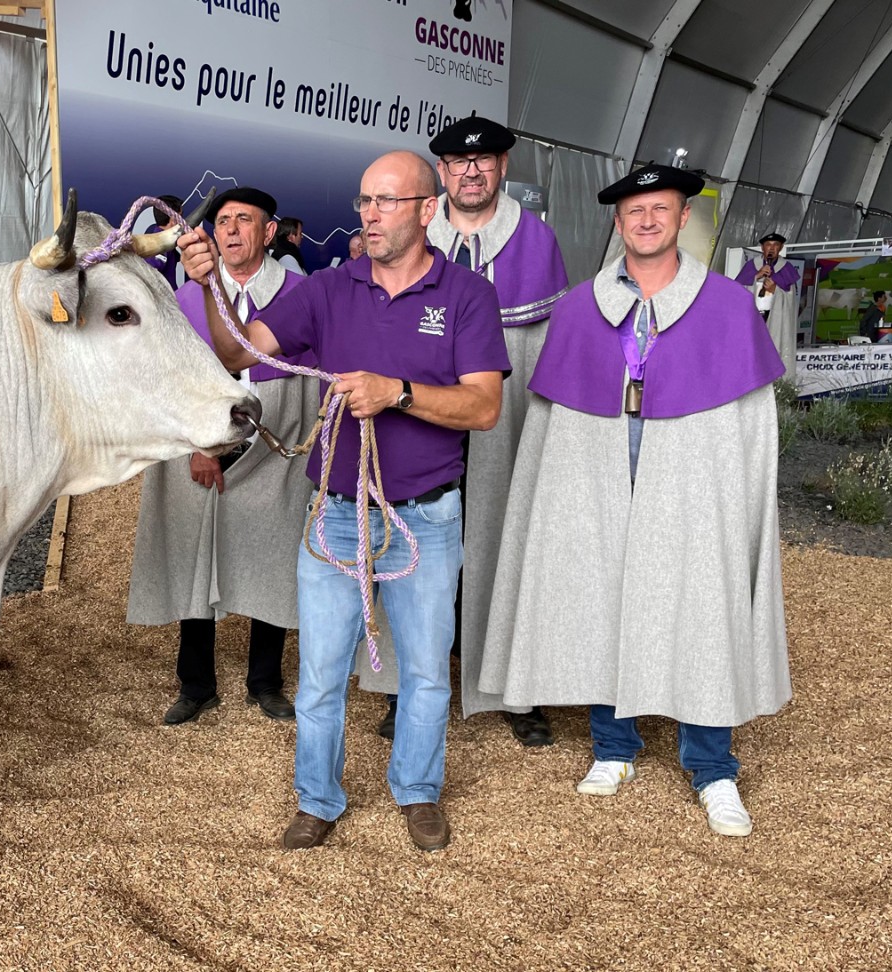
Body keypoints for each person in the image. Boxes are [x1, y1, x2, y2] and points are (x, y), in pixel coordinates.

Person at [178, 151, 510, 852]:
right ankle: (318, 800)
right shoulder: (328, 289)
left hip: (426, 514)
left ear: (427, 209)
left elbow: (484, 407)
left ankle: (418, 791)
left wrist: (400, 393)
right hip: (335, 511)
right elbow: (234, 352)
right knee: (322, 674)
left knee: (424, 671)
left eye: (387, 201)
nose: (370, 214)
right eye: (364, 201)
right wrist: (208, 284)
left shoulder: (467, 296)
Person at [479, 164, 790, 839]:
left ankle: (713, 768)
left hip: (692, 480)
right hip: (598, 475)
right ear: (617, 224)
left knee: (703, 608)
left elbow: (752, 423)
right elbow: (549, 429)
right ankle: (614, 748)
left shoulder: (728, 306)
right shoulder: (578, 306)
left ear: (683, 218)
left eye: (660, 208)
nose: (646, 220)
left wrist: (739, 498)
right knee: (602, 597)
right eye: (633, 211)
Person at [353, 115, 569, 749]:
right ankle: (396, 685)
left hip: (502, 418)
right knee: (403, 537)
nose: (470, 171)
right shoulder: (406, 232)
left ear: (502, 167)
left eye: (484, 161)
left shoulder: (537, 241)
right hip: (415, 411)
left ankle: (507, 686)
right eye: (456, 162)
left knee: (503, 536)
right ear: (440, 173)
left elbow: (546, 352)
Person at [128, 187, 319, 725]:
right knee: (197, 554)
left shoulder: (298, 293)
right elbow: (170, 383)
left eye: (245, 220)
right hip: (200, 452)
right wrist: (199, 446)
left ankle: (265, 681)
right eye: (224, 221)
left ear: (268, 231)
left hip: (275, 451)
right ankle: (196, 684)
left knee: (272, 551)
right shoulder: (184, 299)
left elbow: (309, 383)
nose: (231, 229)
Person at [734, 232, 800, 366]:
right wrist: (755, 278)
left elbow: (790, 299)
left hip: (776, 320)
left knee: (774, 349)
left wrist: (775, 290)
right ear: (762, 248)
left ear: (780, 248)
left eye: (776, 245)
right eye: (768, 245)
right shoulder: (751, 266)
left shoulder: (786, 268)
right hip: (754, 318)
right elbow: (737, 293)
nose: (771, 248)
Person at [143, 194, 187, 290]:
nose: (183, 221)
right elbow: (148, 275)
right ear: (173, 220)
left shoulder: (162, 241)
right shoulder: (158, 246)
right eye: (181, 216)